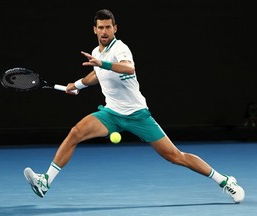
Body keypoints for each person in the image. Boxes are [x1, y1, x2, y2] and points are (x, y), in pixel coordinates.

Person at [24, 9, 245, 203]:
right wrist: (79, 85)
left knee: (175, 156)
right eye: (100, 27)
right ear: (94, 29)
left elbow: (128, 69)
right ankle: (45, 181)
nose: (104, 31)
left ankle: (224, 180)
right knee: (76, 132)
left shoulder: (121, 49)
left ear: (114, 28)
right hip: (111, 113)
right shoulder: (96, 52)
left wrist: (104, 63)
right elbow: (97, 73)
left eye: (108, 27)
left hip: (137, 114)